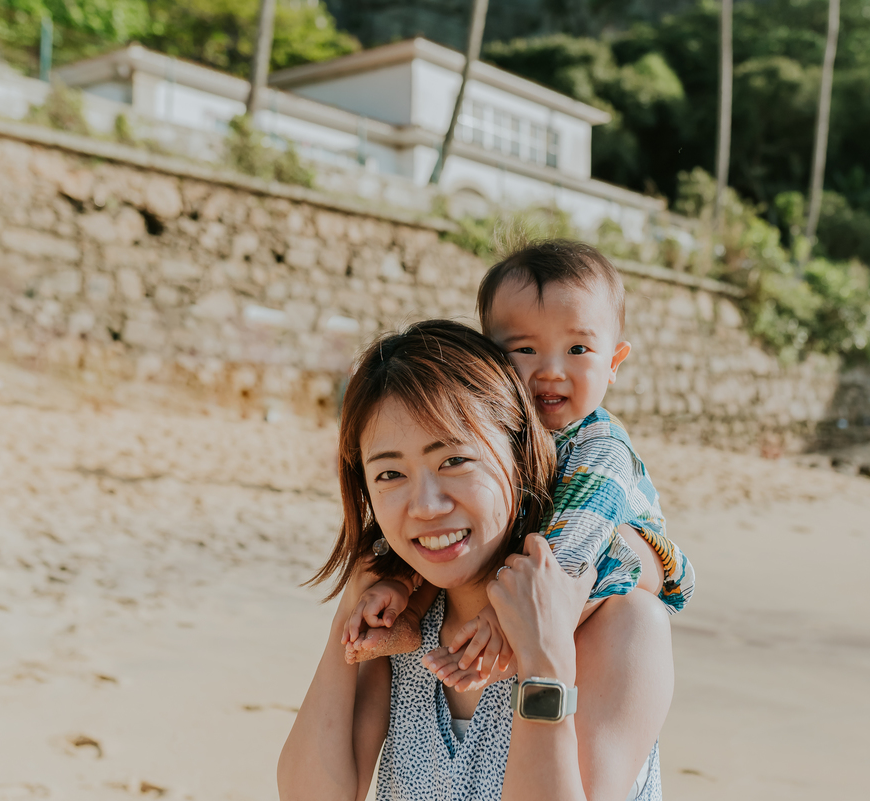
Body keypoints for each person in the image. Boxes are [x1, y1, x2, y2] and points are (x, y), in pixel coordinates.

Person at [278, 320, 672, 801]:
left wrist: (544, 659)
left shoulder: (625, 625)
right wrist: (350, 610)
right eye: (390, 474)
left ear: (521, 453)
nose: (426, 506)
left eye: (454, 461)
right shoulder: (402, 629)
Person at [344, 240, 694, 690]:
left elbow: (572, 545)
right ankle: (410, 612)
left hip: (605, 558)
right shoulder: (498, 436)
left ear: (614, 362)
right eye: (525, 349)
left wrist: (503, 619)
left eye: (578, 349)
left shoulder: (601, 446)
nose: (551, 370)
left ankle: (516, 653)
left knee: (601, 558)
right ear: (489, 359)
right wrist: (399, 581)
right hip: (530, 552)